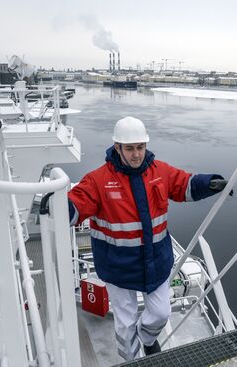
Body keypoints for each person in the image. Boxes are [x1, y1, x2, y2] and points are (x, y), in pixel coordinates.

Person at [67, 116, 228, 361]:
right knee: (125, 322)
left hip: (155, 262)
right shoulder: (98, 180)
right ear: (117, 147)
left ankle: (148, 339)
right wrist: (62, 206)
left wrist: (211, 184)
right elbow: (78, 202)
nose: (136, 155)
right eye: (129, 148)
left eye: (140, 147)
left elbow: (185, 185)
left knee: (161, 313)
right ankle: (131, 361)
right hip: (118, 267)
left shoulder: (159, 172)